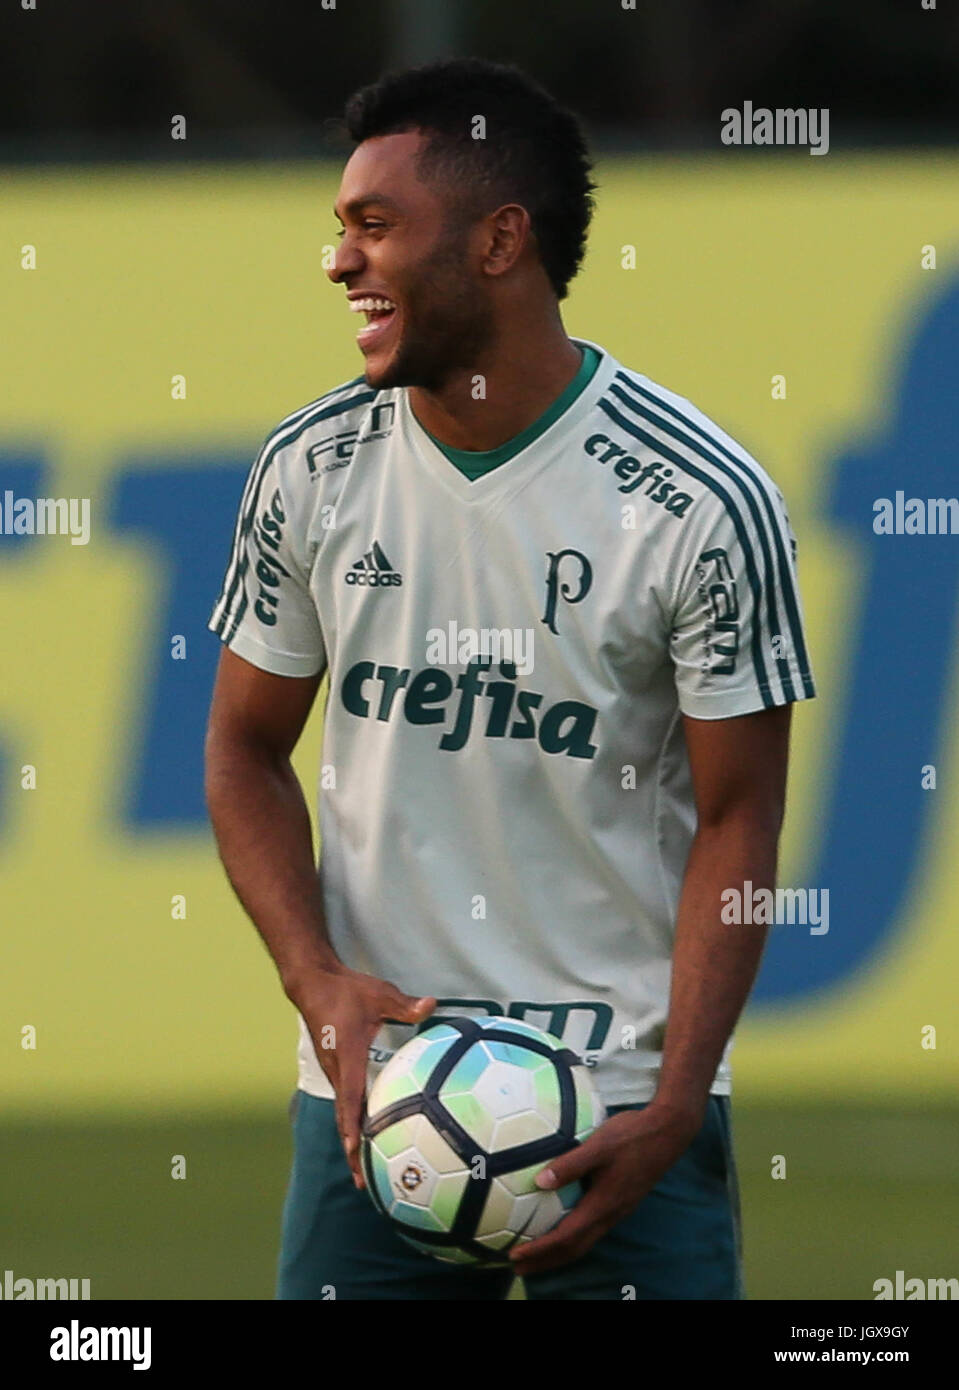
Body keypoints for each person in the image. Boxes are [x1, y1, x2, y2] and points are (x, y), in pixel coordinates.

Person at [205, 57, 816, 1300]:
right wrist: (317, 983)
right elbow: (240, 748)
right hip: (377, 1113)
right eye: (339, 230)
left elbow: (739, 811)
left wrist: (682, 1094)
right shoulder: (309, 472)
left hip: (624, 1112)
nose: (338, 263)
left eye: (374, 227)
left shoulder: (700, 502)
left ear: (497, 241)